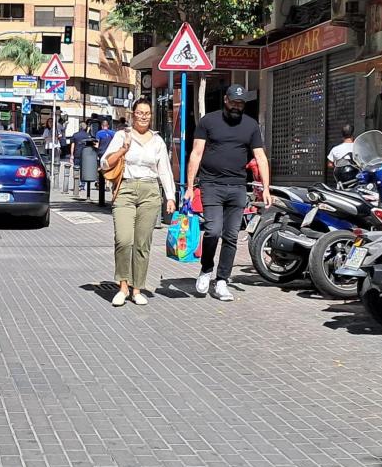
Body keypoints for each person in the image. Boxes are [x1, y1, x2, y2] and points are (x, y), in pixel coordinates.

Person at [185, 85, 272, 302]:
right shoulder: (209, 122)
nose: (237, 106)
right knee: (213, 230)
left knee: (231, 236)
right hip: (211, 185)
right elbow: (196, 154)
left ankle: (222, 280)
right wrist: (189, 187)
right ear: (225, 100)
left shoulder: (251, 126)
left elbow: (261, 157)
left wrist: (266, 188)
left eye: (241, 103)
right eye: (234, 102)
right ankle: (206, 270)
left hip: (237, 187)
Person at [103, 98, 176, 307]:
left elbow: (164, 170)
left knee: (143, 243)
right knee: (124, 240)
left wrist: (170, 196)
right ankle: (122, 286)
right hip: (125, 188)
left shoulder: (157, 141)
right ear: (133, 114)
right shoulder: (121, 136)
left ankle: (137, 289)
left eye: (148, 113)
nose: (144, 116)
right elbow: (105, 162)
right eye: (140, 112)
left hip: (150, 191)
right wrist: (123, 150)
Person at [69, 121, 95, 200]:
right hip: (85, 155)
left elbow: (72, 146)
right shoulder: (88, 136)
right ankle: (82, 185)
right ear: (85, 128)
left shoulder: (75, 135)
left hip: (77, 154)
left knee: (76, 169)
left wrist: (71, 155)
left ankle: (76, 185)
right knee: (84, 170)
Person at [94, 118, 117, 206]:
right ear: (108, 125)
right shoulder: (112, 133)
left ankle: (101, 183)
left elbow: (97, 144)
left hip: (101, 153)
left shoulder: (99, 133)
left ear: (102, 126)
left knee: (101, 169)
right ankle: (108, 184)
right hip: (110, 153)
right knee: (109, 168)